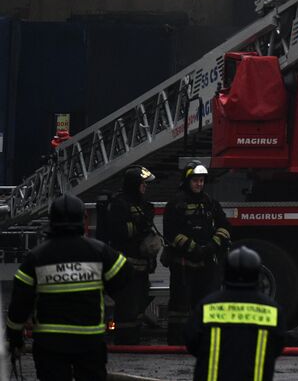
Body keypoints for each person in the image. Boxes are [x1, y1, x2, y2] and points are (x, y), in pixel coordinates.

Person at [6, 193, 131, 381]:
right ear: (83, 219)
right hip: (90, 341)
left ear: (51, 221)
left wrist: (15, 338)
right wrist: (105, 289)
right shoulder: (99, 251)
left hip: (50, 344)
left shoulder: (37, 257)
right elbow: (124, 274)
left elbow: (19, 303)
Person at [186, 245, 286, 380]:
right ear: (257, 274)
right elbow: (278, 346)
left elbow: (191, 341)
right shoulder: (271, 310)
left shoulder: (208, 306)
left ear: (226, 273)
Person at [163, 163, 231, 344]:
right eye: (195, 180)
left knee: (207, 303)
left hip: (208, 263)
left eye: (201, 181)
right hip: (183, 263)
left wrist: (211, 246)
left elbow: (224, 227)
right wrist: (193, 248)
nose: (199, 184)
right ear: (187, 181)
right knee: (180, 306)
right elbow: (170, 233)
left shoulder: (210, 203)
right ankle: (177, 341)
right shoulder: (176, 204)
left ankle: (204, 340)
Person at [102, 166, 160, 344]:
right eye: (143, 183)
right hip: (126, 269)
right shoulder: (120, 204)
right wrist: (137, 226)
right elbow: (115, 231)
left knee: (139, 306)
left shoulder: (142, 204)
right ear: (134, 184)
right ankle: (125, 342)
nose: (145, 187)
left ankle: (134, 338)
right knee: (127, 307)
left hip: (142, 268)